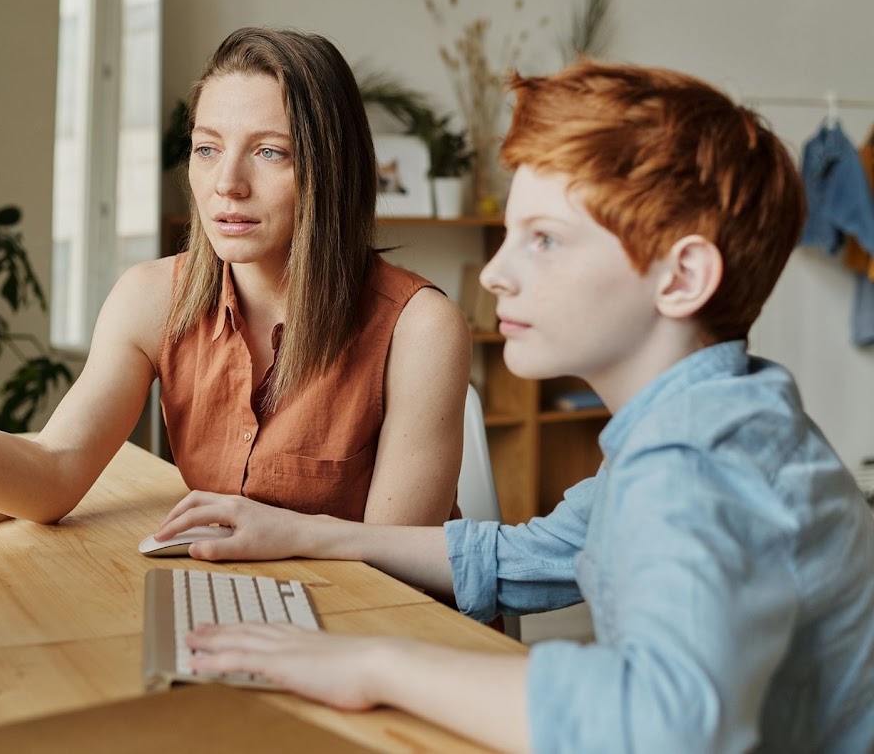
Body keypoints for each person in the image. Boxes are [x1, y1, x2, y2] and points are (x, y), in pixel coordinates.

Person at [155, 61, 874, 753]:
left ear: (682, 277)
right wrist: (308, 532)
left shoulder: (696, 461)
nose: (496, 274)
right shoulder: (716, 415)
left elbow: (664, 725)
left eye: (545, 241)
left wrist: (374, 666)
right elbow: (527, 556)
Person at [0, 26, 472, 527]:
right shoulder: (152, 298)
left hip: (376, 639)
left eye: (270, 152)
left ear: (334, 171)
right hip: (243, 614)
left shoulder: (420, 330)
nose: (226, 185)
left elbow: (393, 570)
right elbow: (54, 473)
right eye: (207, 148)